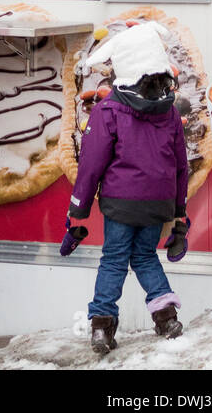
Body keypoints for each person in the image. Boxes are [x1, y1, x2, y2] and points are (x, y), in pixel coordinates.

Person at [68, 21, 189, 354]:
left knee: (114, 260)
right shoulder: (172, 112)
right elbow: (181, 165)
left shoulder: (108, 111)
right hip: (158, 203)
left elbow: (91, 165)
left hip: (120, 202)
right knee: (145, 257)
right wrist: (179, 210)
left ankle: (102, 328)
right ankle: (166, 317)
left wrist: (78, 208)